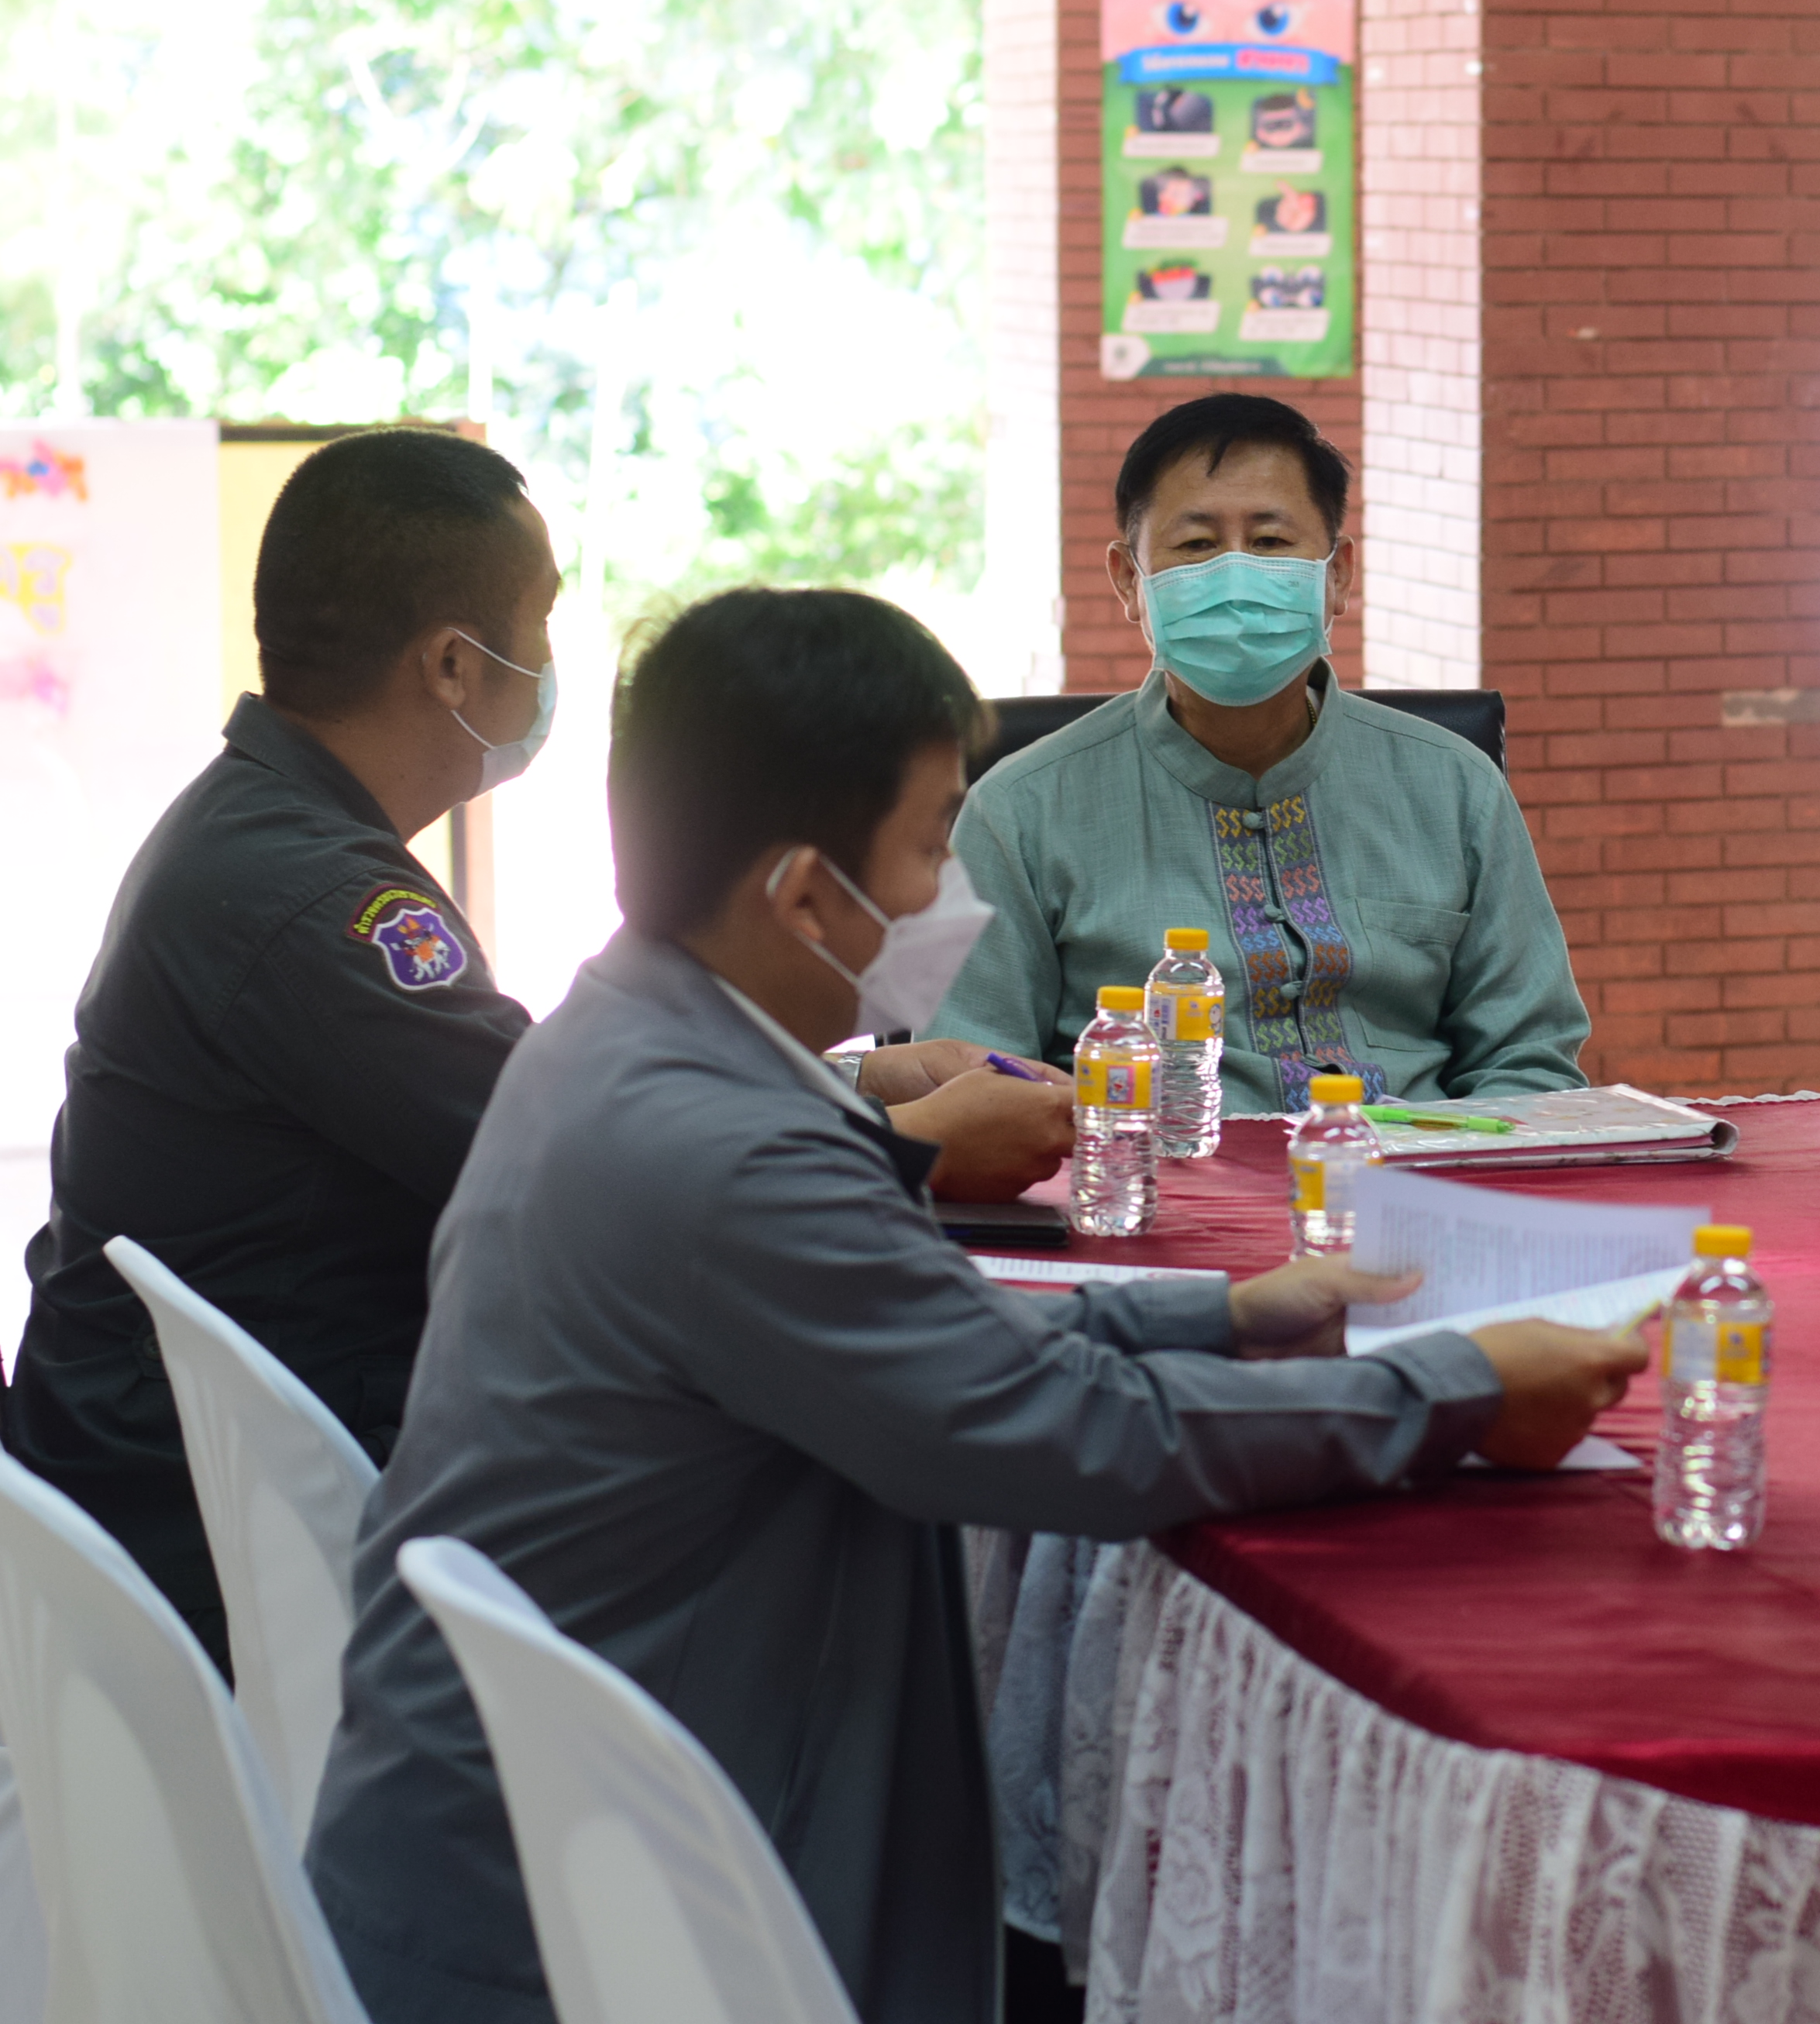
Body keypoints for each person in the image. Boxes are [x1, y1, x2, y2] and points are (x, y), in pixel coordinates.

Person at [304, 587, 1647, 2024]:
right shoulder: (728, 1150)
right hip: (579, 1934)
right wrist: (1452, 1393)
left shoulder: (636, 1038)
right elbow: (1058, 1432)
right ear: (804, 897)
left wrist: (1230, 1316)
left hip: (548, 1836)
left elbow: (927, 1335)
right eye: (935, 842)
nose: (961, 893)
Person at [3, 429, 1070, 1664]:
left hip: (212, 1463)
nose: (555, 663)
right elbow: (585, 1156)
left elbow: (555, 1095)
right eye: (544, 620)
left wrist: (855, 1073)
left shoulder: (269, 831)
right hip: (234, 1526)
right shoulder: (324, 902)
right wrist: (909, 1142)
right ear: (456, 664)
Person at [934, 392, 1591, 1113]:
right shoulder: (1019, 814)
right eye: (1196, 546)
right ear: (1130, 582)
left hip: (1415, 1170)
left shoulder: (1456, 787)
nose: (1235, 577)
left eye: (1272, 542)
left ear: (1337, 575)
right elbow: (977, 1088)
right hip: (1157, 1173)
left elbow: (1531, 1063)